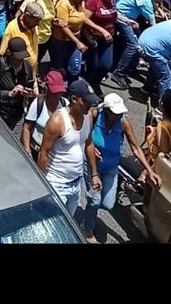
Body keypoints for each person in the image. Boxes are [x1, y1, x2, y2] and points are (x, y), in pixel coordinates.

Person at [81, 92, 160, 242]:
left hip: (111, 168)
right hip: (93, 166)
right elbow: (84, 135)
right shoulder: (94, 115)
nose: (118, 116)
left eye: (120, 113)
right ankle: (87, 228)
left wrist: (150, 171)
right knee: (95, 200)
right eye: (115, 113)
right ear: (106, 110)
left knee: (108, 204)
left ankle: (91, 208)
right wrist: (90, 145)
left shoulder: (124, 123)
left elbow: (136, 148)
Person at [38, 79, 100, 216]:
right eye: (86, 101)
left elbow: (89, 143)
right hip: (56, 183)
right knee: (53, 223)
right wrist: (41, 186)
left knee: (69, 221)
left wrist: (94, 174)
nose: (90, 105)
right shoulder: (57, 121)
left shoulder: (88, 117)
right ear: (74, 99)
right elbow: (44, 153)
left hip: (76, 183)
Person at [111, 0, 156, 90]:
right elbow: (151, 21)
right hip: (122, 16)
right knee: (133, 45)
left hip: (122, 14)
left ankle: (122, 67)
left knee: (125, 41)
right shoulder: (146, 0)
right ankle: (119, 73)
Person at [0, 38, 36, 129]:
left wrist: (28, 93)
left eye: (23, 57)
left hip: (18, 114)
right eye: (17, 57)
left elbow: (30, 89)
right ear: (8, 53)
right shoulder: (0, 63)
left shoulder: (27, 66)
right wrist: (9, 94)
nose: (20, 60)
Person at [22, 70, 68, 160]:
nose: (57, 95)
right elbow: (27, 128)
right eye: (55, 92)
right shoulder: (38, 104)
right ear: (47, 88)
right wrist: (27, 151)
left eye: (60, 92)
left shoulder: (65, 104)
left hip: (55, 154)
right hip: (36, 150)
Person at [138, 20, 171, 99]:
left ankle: (148, 87)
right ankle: (163, 105)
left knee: (156, 67)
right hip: (153, 48)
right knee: (166, 78)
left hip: (146, 39)